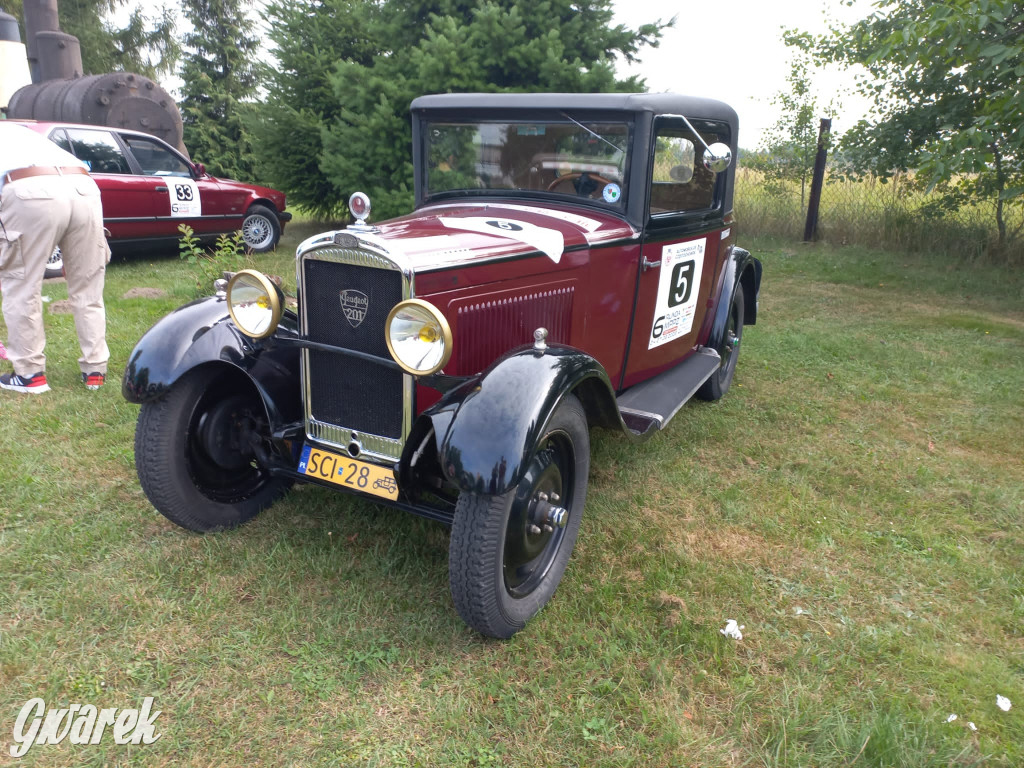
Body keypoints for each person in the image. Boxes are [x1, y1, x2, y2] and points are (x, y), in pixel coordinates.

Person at [0, 121, 109, 394]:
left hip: (29, 188)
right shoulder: (19, 131)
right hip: (83, 186)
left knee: (21, 284)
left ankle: (29, 375)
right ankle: (95, 371)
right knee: (88, 286)